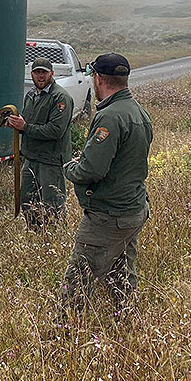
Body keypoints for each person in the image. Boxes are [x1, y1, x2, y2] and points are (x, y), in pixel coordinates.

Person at [58, 52, 153, 322]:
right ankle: (127, 322)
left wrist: (70, 168)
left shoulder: (110, 117)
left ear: (98, 79)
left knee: (78, 279)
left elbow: (92, 170)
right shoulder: (138, 112)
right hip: (132, 210)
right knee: (121, 272)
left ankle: (63, 335)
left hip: (108, 216)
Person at [5, 57, 74, 230]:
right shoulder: (31, 95)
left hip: (50, 160)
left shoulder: (60, 98)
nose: (40, 76)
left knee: (52, 204)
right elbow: (27, 122)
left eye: (44, 72)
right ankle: (35, 234)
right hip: (31, 157)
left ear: (52, 73)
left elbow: (55, 131)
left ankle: (55, 237)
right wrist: (16, 125)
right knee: (27, 201)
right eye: (37, 72)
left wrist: (25, 127)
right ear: (32, 74)